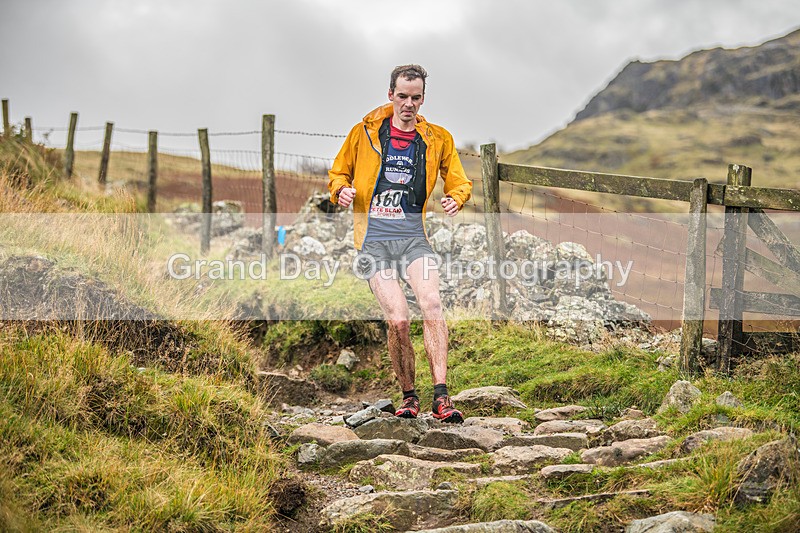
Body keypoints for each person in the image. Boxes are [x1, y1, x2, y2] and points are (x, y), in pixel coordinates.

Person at [328, 64, 472, 423]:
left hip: (412, 239)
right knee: (399, 321)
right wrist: (341, 190)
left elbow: (458, 179)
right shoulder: (364, 132)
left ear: (424, 98)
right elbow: (337, 173)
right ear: (390, 94)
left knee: (432, 303)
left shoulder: (438, 138)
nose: (409, 104)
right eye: (403, 96)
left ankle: (442, 397)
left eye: (416, 97)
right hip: (373, 242)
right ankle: (409, 397)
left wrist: (457, 196)